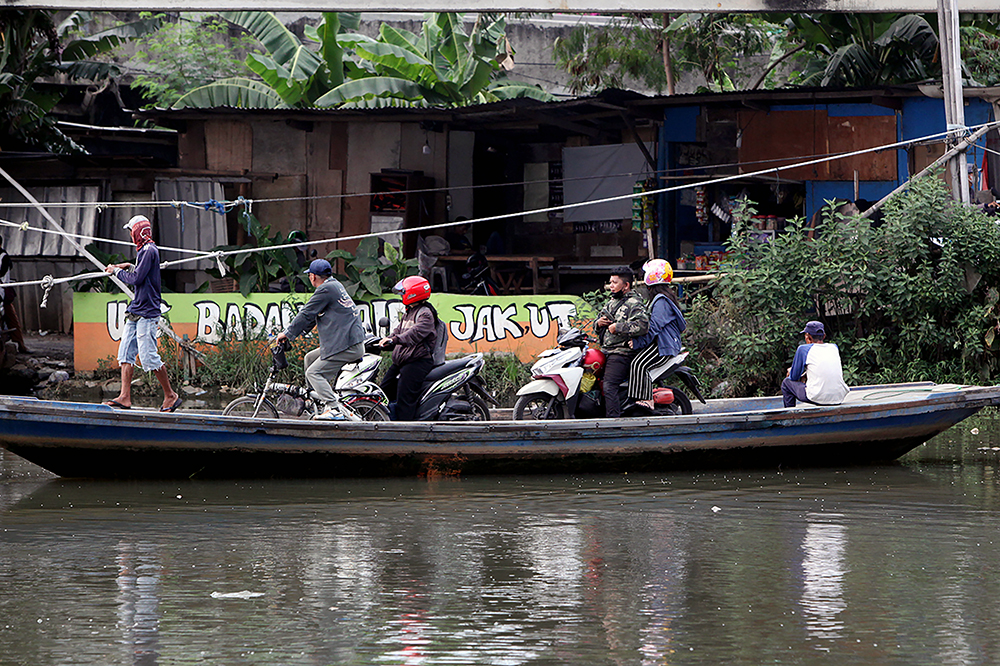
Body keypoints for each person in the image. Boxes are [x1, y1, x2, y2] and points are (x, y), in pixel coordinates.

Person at [103, 215, 181, 411]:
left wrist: (115, 271)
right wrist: (127, 266)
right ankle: (124, 396)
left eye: (131, 231)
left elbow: (137, 279)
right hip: (137, 309)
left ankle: (170, 396)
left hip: (147, 312)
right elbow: (141, 273)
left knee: (148, 357)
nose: (130, 235)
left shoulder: (149, 250)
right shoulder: (144, 251)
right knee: (126, 354)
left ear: (138, 232)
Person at [275, 259, 365, 420]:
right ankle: (315, 400)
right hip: (347, 343)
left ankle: (333, 407)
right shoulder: (334, 285)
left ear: (313, 277)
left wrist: (287, 333)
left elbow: (306, 312)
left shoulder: (325, 289)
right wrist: (296, 335)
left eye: (310, 275)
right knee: (310, 358)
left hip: (347, 346)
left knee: (313, 372)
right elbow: (313, 316)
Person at [628, 259, 686, 410]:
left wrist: (637, 342)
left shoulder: (661, 302)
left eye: (645, 273)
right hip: (659, 343)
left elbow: (652, 328)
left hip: (663, 346)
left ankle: (646, 400)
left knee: (639, 364)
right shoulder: (658, 299)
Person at [380, 276, 439, 421]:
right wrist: (386, 340)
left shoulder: (425, 314)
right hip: (403, 361)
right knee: (384, 389)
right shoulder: (409, 312)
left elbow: (413, 334)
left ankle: (405, 427)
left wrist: (395, 340)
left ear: (412, 294)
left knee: (404, 396)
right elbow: (398, 331)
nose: (401, 296)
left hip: (417, 362)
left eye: (403, 293)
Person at [594, 267, 649, 418]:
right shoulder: (611, 302)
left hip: (621, 353)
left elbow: (643, 326)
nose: (611, 286)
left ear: (626, 285)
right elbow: (596, 323)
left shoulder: (634, 303)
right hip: (605, 350)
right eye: (610, 282)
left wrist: (618, 327)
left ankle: (614, 422)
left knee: (609, 385)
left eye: (615, 282)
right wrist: (599, 323)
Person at [781, 320, 850, 408]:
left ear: (808, 337)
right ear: (824, 336)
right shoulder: (834, 347)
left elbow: (794, 377)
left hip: (817, 397)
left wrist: (791, 371)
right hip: (839, 397)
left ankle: (790, 415)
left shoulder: (803, 349)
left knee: (786, 383)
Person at [0, 234, 29, 354]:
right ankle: (20, 344)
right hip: (2, 291)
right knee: (11, 317)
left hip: (2, 291)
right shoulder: (4, 256)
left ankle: (20, 344)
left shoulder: (3, 256)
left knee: (11, 316)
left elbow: (2, 273)